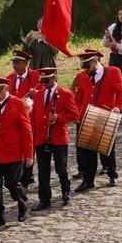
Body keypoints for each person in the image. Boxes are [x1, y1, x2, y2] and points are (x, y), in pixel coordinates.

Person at [0, 76, 33, 229]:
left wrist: (29, 155)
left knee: (12, 183)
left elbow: (26, 130)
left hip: (12, 151)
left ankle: (23, 206)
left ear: (6, 88)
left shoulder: (18, 104)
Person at [73, 49, 122, 189]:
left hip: (106, 115)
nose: (86, 69)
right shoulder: (82, 76)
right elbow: (79, 98)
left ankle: (112, 174)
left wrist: (118, 107)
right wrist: (77, 114)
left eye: (87, 66)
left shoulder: (113, 72)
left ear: (95, 61)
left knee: (108, 149)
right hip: (88, 116)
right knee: (88, 151)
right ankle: (88, 180)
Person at [30, 67, 77, 209]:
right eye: (43, 81)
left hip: (58, 137)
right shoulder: (39, 94)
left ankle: (66, 192)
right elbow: (34, 116)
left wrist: (59, 117)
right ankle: (44, 199)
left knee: (60, 167)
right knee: (43, 171)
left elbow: (74, 115)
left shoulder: (65, 94)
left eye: (47, 81)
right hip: (41, 137)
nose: (44, 84)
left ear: (54, 78)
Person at [6, 49, 39, 188]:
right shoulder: (9, 78)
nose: (14, 65)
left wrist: (36, 94)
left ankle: (27, 177)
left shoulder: (36, 76)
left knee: (29, 147)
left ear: (26, 63)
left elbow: (47, 94)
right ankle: (19, 175)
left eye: (18, 62)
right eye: (14, 62)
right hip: (13, 119)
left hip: (30, 118)